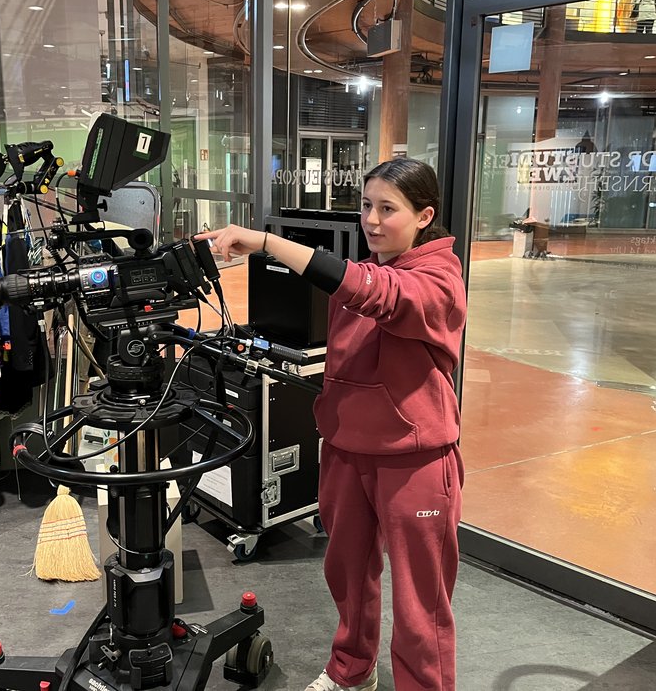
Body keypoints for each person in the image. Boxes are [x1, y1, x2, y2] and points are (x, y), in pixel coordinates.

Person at [196, 158, 467, 691]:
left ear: (424, 215)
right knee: (347, 576)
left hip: (413, 459)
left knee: (422, 603)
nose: (372, 220)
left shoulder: (438, 279)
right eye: (366, 206)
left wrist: (266, 242)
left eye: (388, 209)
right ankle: (351, 672)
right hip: (346, 448)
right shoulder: (368, 271)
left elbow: (378, 293)